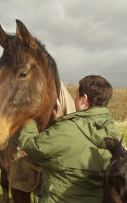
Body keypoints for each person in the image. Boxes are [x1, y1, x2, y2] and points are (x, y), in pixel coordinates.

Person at [18, 75, 121, 203]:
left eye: (77, 96)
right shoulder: (115, 133)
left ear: (84, 99)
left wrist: (29, 119)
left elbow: (32, 146)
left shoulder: (66, 130)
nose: (75, 99)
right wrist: (60, 123)